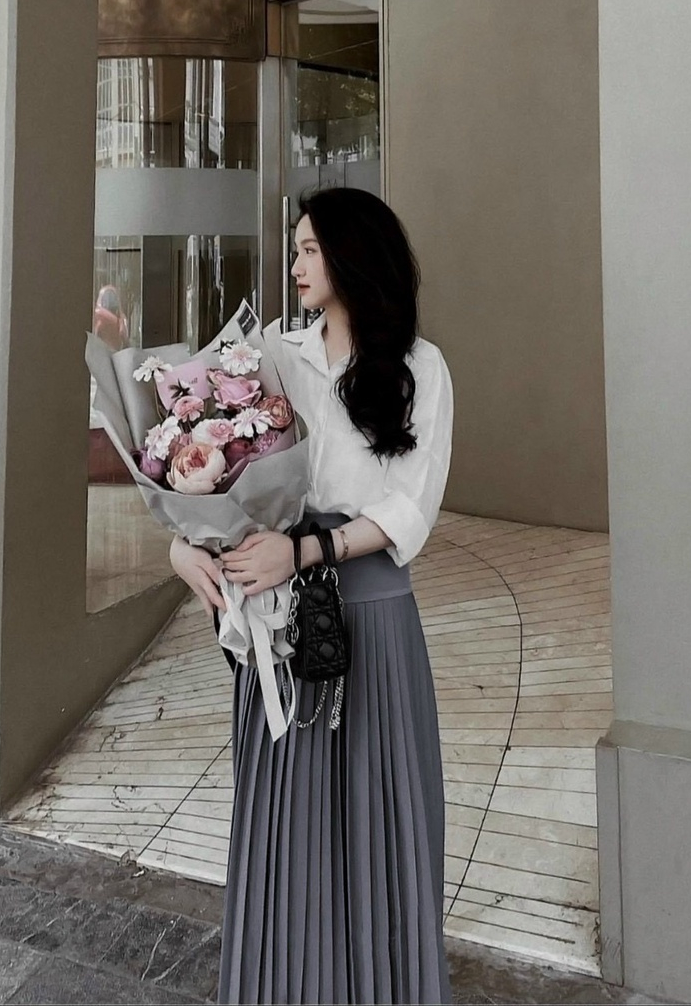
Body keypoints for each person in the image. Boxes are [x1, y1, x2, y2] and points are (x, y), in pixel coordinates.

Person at [169, 187, 455, 1005]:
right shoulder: (270, 354)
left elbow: (409, 510)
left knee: (376, 812)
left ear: (352, 256)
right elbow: (210, 465)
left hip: (370, 617)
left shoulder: (420, 368)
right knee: (286, 822)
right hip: (278, 622)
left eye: (309, 249)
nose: (294, 263)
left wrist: (305, 550)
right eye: (294, 248)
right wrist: (183, 545)